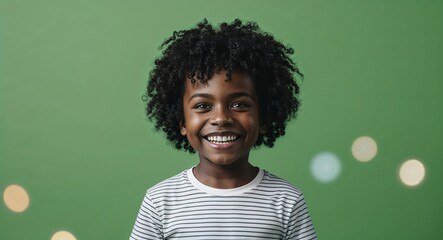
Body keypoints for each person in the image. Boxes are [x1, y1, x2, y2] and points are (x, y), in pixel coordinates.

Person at [130, 19, 317, 240]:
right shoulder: (160, 201)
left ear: (263, 117)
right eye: (202, 106)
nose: (221, 118)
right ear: (182, 122)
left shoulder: (286, 200)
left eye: (239, 105)